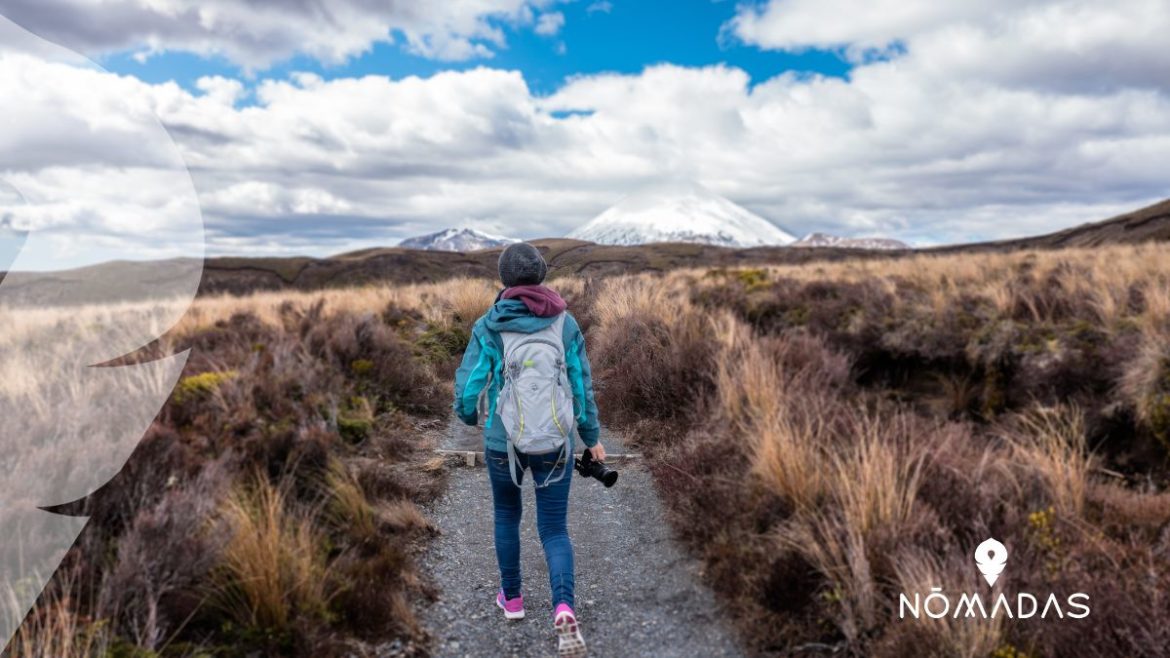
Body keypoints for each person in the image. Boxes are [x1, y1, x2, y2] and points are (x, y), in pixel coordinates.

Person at [453, 242, 603, 657]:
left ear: (505, 279)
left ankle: (513, 600)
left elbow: (469, 387)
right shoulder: (566, 323)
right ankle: (563, 607)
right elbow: (580, 386)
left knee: (506, 515)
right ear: (540, 275)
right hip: (555, 441)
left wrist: (469, 419)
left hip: (505, 442)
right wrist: (591, 437)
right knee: (554, 528)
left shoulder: (489, 324)